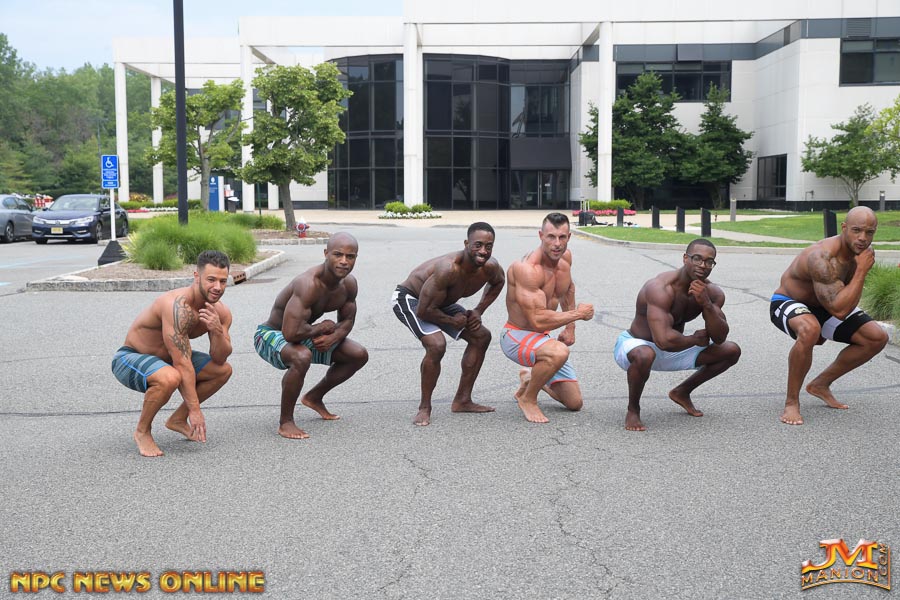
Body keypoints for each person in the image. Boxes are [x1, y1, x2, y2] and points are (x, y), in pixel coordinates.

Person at [770, 206, 887, 425]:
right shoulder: (821, 257)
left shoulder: (861, 253)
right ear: (844, 228)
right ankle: (791, 402)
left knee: (876, 338)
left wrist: (859, 270)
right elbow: (839, 310)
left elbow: (842, 303)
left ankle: (820, 384)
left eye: (869, 232)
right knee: (810, 329)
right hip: (789, 302)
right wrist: (861, 271)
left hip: (827, 305)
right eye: (857, 230)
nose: (863, 238)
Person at [111, 250, 234, 457]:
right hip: (130, 358)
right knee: (171, 377)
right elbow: (182, 362)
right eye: (211, 280)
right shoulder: (177, 306)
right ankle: (142, 431)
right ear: (197, 276)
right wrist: (195, 410)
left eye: (223, 281)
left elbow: (220, 357)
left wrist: (216, 331)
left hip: (168, 361)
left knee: (222, 370)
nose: (217, 287)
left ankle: (177, 419)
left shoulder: (221, 312)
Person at [614, 239, 741, 431]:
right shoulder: (660, 288)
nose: (703, 265)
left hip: (673, 348)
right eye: (697, 259)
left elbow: (719, 337)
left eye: (709, 262)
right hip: (637, 346)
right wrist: (694, 340)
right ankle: (633, 409)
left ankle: (682, 392)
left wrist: (706, 304)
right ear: (685, 258)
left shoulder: (712, 293)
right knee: (645, 354)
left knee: (731, 350)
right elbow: (663, 340)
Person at [255, 232, 368, 439]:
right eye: (338, 254)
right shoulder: (308, 284)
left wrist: (334, 336)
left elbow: (348, 320)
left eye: (350, 257)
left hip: (301, 332)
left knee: (358, 354)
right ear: (326, 254)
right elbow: (290, 333)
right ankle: (286, 422)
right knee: (301, 356)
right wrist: (321, 327)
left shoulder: (349, 284)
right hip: (270, 335)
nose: (344, 261)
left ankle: (314, 397)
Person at [392, 222, 505, 426]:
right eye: (478, 245)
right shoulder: (449, 268)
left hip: (440, 302)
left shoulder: (490, 267)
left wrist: (478, 311)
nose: (483, 251)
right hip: (412, 300)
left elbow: (498, 282)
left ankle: (462, 400)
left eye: (488, 246)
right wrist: (452, 321)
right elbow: (424, 311)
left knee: (481, 337)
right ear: (466, 244)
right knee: (436, 345)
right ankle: (424, 407)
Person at [501, 212, 593, 423]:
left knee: (574, 403)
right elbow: (537, 320)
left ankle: (531, 378)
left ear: (569, 237)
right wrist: (578, 314)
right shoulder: (526, 269)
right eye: (551, 237)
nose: (557, 244)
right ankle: (528, 398)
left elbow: (568, 289)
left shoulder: (565, 258)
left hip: (542, 338)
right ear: (541, 235)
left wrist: (570, 328)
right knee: (559, 351)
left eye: (562, 237)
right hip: (516, 335)